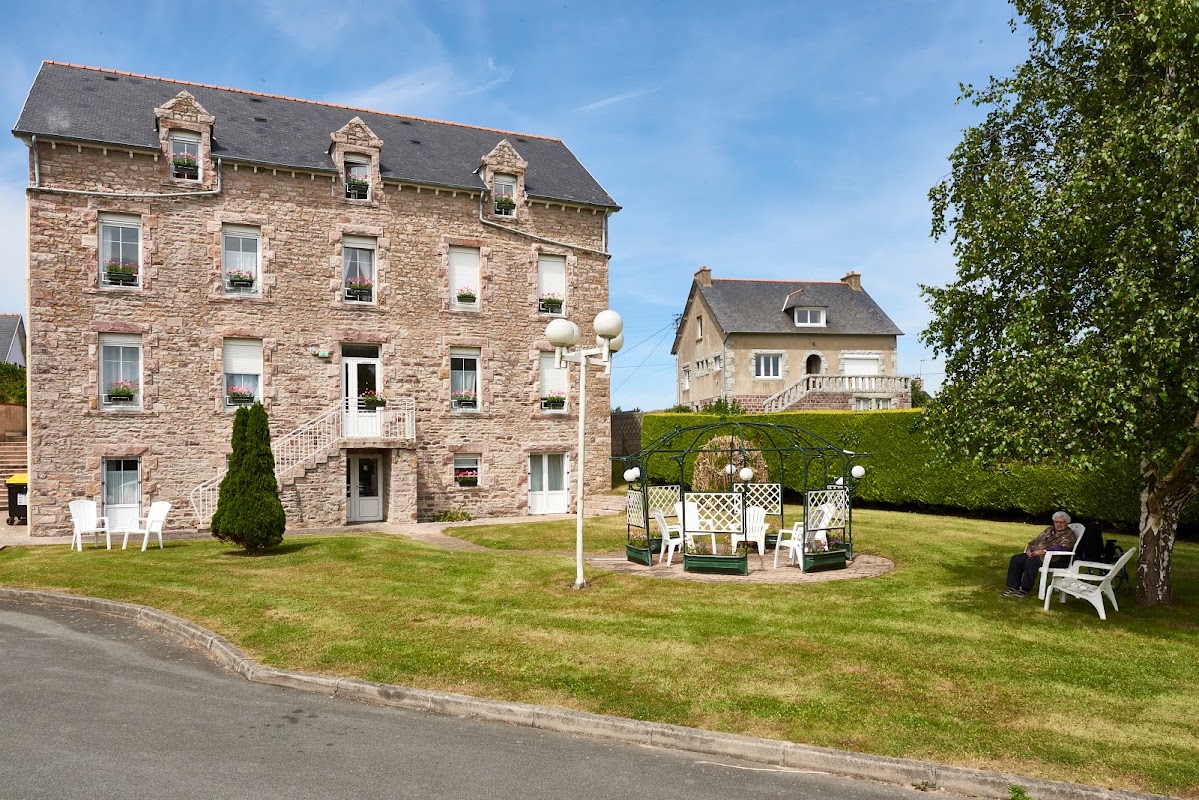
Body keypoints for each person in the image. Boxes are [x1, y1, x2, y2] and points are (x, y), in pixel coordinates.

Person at [1003, 511, 1078, 598]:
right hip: (1038, 554)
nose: (1058, 524)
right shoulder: (1049, 530)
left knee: (1032, 562)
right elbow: (1036, 541)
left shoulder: (1068, 534)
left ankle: (1024, 589)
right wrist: (1029, 549)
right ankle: (1013, 587)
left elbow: (1064, 548)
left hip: (1056, 559)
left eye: (1061, 522)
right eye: (1056, 522)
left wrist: (1044, 550)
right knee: (1016, 559)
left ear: (1067, 523)